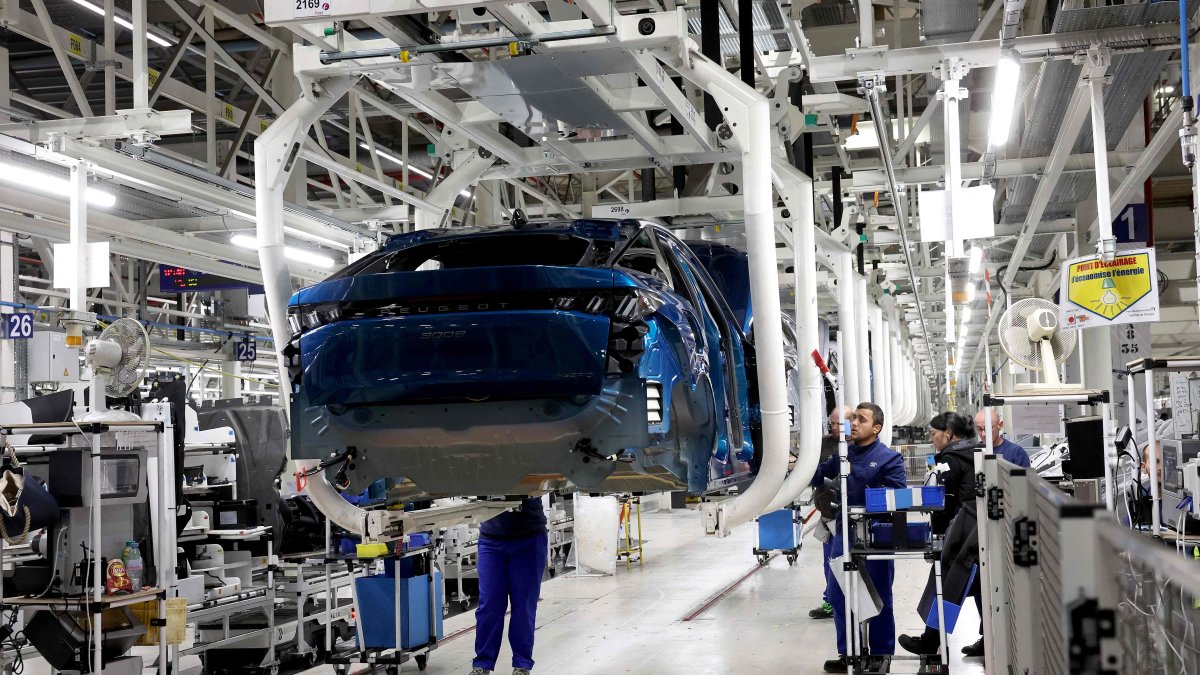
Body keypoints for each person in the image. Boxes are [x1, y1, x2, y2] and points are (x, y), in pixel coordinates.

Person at [811, 403, 907, 673]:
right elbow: (820, 474)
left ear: (876, 428)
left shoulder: (890, 459)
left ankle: (880, 654)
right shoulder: (844, 453)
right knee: (838, 594)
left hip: (876, 533)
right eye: (852, 418)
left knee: (878, 595)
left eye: (861, 420)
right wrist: (800, 463)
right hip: (845, 532)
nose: (853, 423)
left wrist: (857, 474)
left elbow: (897, 498)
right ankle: (849, 653)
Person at [899, 412, 986, 659]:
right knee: (981, 586)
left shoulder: (951, 458)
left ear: (948, 434)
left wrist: (937, 537)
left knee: (946, 584)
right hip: (981, 531)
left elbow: (944, 503)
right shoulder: (978, 451)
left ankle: (930, 640)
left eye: (934, 434)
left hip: (961, 533)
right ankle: (990, 637)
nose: (931, 438)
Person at [470, 497, 549, 675]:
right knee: (489, 604)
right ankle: (482, 663)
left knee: (523, 605)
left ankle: (522, 663)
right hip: (491, 539)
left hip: (528, 537)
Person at [810, 405, 852, 621]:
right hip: (827, 515)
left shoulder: (853, 445)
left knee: (848, 563)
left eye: (839, 423)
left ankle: (849, 602)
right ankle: (831, 601)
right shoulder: (824, 444)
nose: (835, 427)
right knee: (829, 563)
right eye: (832, 423)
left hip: (850, 517)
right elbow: (811, 471)